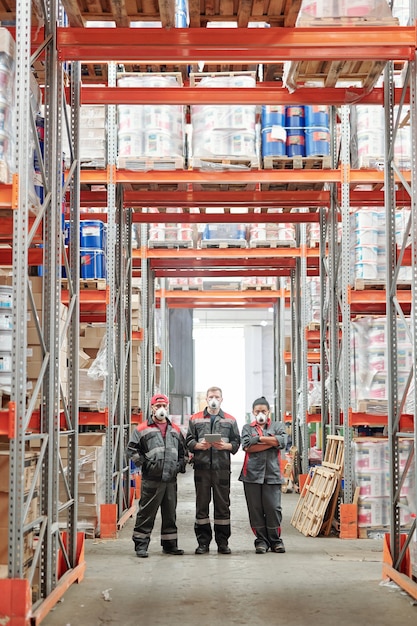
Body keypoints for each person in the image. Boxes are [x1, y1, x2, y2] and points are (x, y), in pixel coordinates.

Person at [127, 393, 187, 558]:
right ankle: (141, 545)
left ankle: (170, 545)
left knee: (170, 514)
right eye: (157, 406)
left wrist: (179, 466)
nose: (161, 409)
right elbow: (132, 450)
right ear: (152, 408)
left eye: (164, 406)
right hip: (152, 479)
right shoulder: (141, 429)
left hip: (170, 479)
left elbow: (184, 451)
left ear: (168, 408)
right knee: (146, 513)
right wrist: (146, 465)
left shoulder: (175, 430)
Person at [186, 386, 241, 555]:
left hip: (221, 469)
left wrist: (226, 446)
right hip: (201, 470)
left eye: (216, 396)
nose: (213, 399)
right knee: (201, 507)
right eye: (211, 396)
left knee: (222, 507)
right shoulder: (195, 419)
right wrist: (197, 445)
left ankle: (222, 543)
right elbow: (188, 440)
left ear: (222, 399)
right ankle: (203, 543)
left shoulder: (230, 420)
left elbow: (237, 442)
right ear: (207, 399)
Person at [239, 396, 287, 554]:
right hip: (251, 475)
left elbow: (282, 442)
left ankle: (275, 541)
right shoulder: (247, 428)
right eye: (257, 411)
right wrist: (271, 443)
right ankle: (261, 541)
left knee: (273, 508)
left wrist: (258, 439)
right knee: (255, 509)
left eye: (263, 411)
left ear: (268, 412)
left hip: (272, 474)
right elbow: (247, 446)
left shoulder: (278, 425)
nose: (260, 414)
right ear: (253, 412)